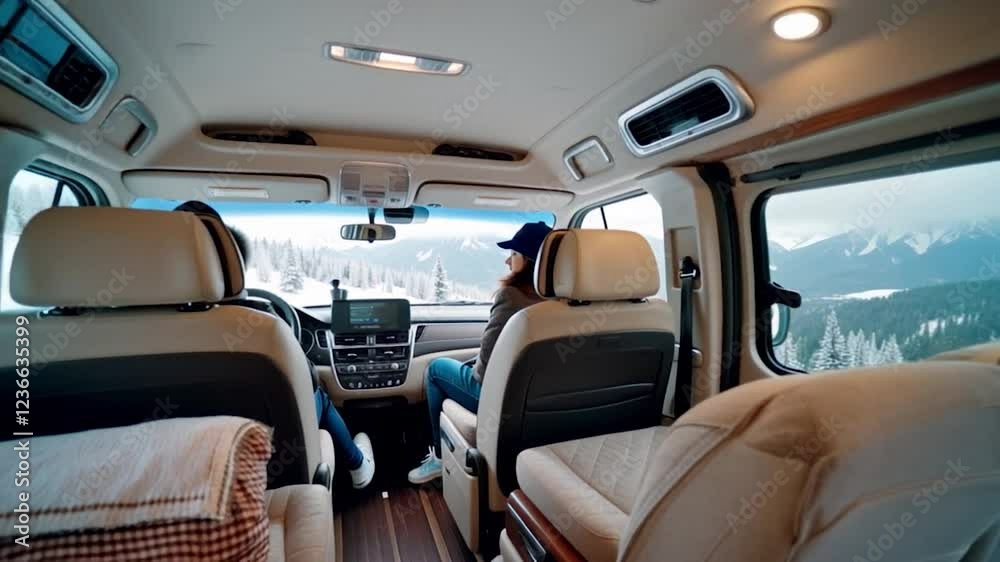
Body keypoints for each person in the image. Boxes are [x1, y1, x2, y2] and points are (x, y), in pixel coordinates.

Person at [174, 201, 375, 489]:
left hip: (188, 466)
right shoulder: (262, 323)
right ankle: (357, 465)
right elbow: (304, 378)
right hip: (276, 459)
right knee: (318, 394)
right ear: (234, 265)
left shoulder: (124, 331)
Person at [408, 221, 552, 484]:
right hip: (545, 398)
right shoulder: (567, 301)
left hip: (502, 401)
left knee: (436, 369)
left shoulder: (511, 296)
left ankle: (439, 457)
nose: (508, 261)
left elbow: (483, 374)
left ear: (531, 260)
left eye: (514, 254)